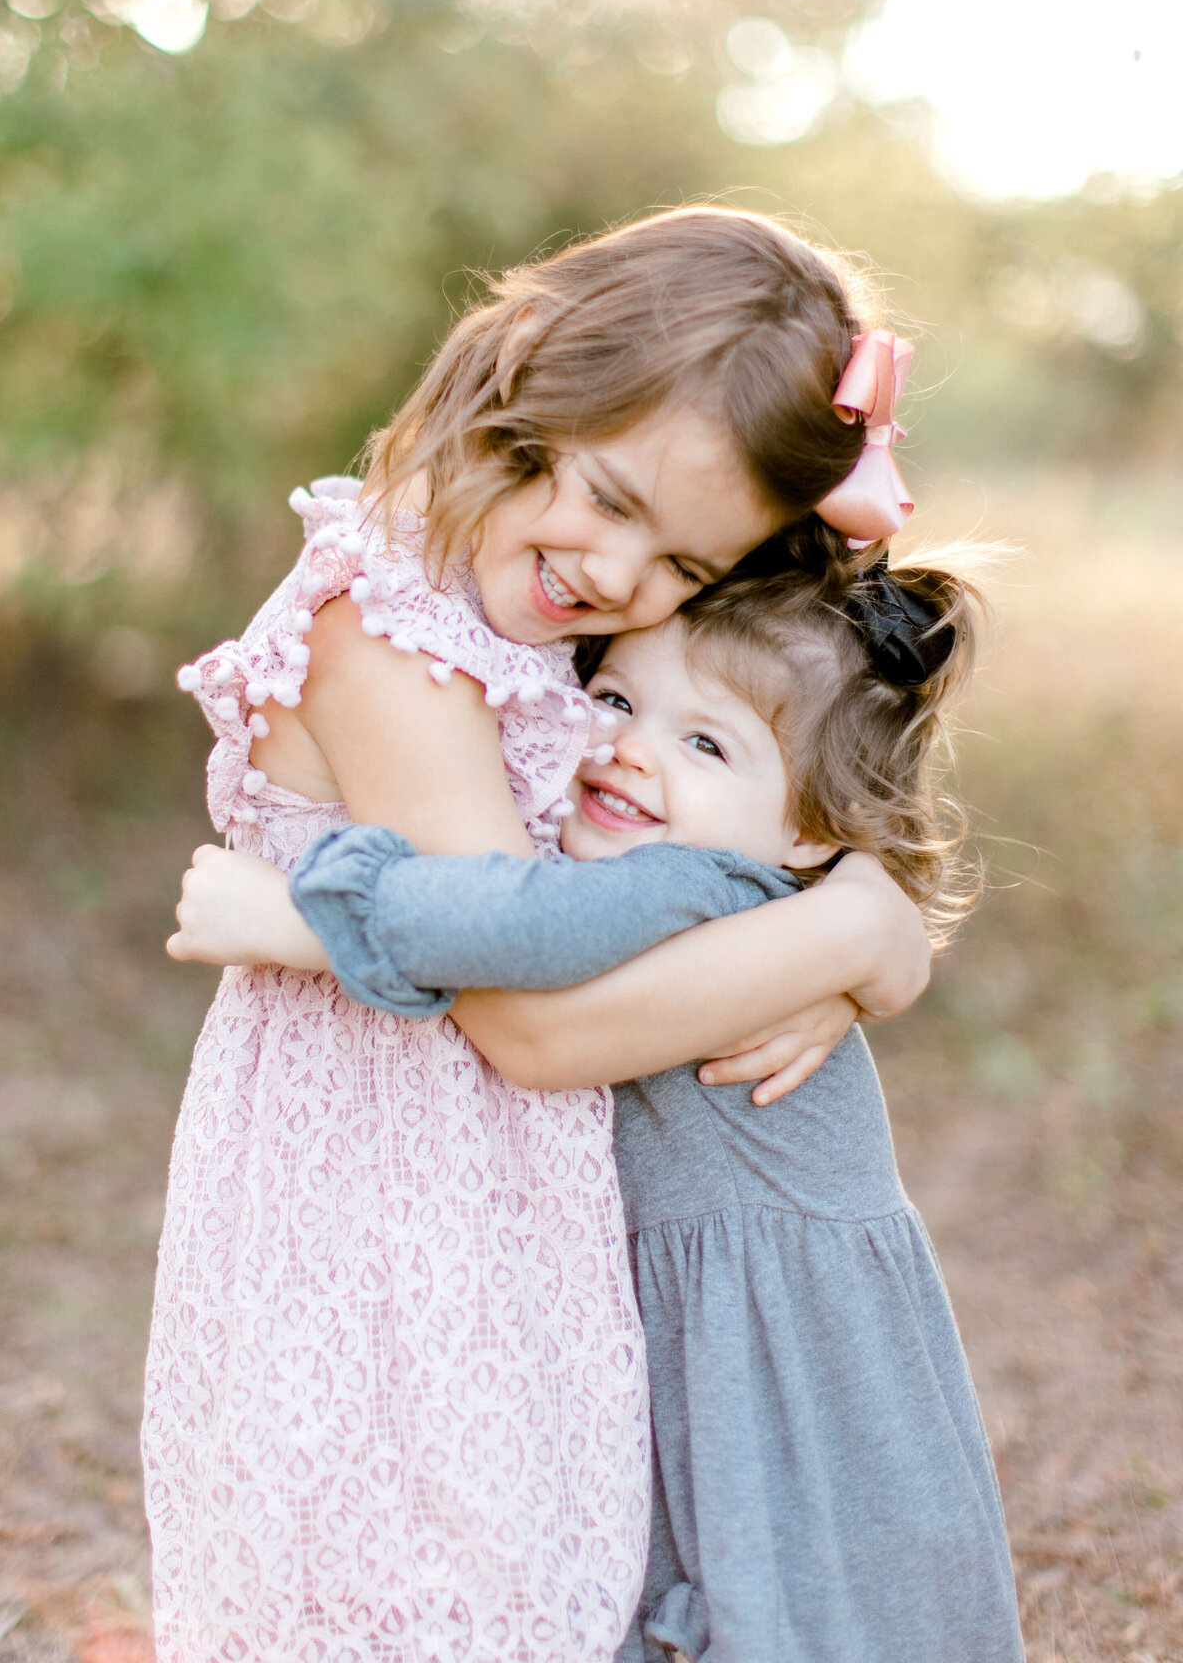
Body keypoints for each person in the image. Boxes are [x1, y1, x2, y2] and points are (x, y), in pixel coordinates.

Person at [152, 207, 933, 1663]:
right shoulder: (388, 632)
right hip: (381, 1201)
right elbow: (527, 1018)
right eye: (617, 500)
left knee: (537, 1585)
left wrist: (871, 927)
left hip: (513, 1209)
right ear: (526, 388)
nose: (625, 580)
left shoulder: (517, 588)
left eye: (689, 566)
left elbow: (789, 748)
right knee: (407, 1584)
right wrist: (842, 937)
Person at [177, 559, 1025, 1663]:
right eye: (617, 700)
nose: (630, 747)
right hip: (737, 1345)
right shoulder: (751, 895)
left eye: (706, 743)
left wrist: (304, 917)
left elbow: (521, 933)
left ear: (816, 835)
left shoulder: (698, 891)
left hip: (779, 1371)